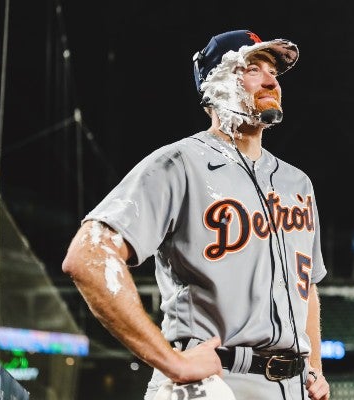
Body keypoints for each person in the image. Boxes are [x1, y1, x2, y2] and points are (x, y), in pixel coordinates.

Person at [62, 29, 330, 400]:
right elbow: (89, 255)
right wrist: (172, 363)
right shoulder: (178, 164)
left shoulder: (297, 183)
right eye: (253, 68)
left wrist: (314, 365)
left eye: (274, 72)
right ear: (216, 82)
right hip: (210, 383)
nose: (271, 80)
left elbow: (308, 287)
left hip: (294, 386)